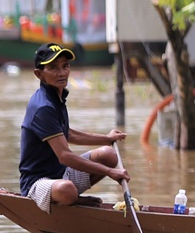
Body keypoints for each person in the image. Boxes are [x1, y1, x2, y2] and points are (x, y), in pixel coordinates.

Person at [18, 43, 129, 212]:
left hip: (61, 174)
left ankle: (72, 200)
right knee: (67, 190)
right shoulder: (43, 107)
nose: (62, 73)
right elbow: (65, 156)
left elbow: (67, 133)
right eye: (53, 68)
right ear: (39, 74)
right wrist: (109, 172)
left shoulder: (57, 96)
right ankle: (73, 200)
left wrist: (106, 139)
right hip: (37, 183)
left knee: (109, 154)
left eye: (65, 66)